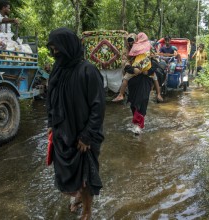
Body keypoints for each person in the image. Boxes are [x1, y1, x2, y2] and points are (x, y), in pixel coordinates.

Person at [46, 27, 105, 220]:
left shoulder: (88, 70)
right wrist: (50, 124)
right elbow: (51, 98)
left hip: (84, 136)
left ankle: (88, 210)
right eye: (53, 50)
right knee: (68, 173)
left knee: (86, 174)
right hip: (62, 133)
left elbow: (98, 107)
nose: (55, 54)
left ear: (68, 47)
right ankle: (78, 197)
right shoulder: (58, 69)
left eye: (57, 49)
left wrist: (87, 136)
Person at [112, 33, 163, 103]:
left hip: (146, 67)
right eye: (129, 41)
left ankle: (158, 94)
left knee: (155, 77)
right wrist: (132, 69)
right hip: (133, 68)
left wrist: (149, 71)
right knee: (125, 78)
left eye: (132, 41)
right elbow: (124, 61)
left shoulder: (146, 46)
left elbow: (154, 58)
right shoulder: (126, 49)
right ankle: (121, 94)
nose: (130, 43)